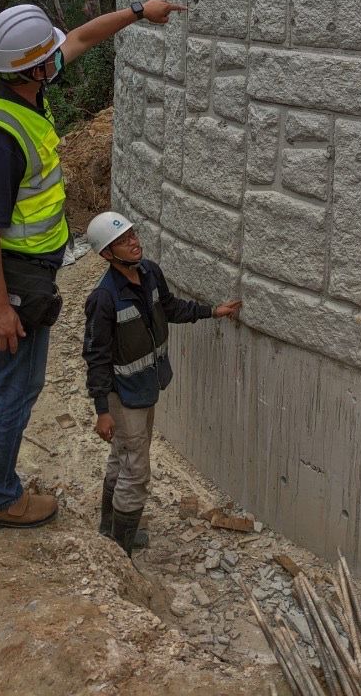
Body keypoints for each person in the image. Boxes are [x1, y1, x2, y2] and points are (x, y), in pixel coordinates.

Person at [0, 0, 184, 534]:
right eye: (48, 55)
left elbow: (78, 39)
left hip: (15, 271)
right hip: (12, 279)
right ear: (32, 68)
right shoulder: (0, 139)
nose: (60, 55)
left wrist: (136, 12)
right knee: (12, 388)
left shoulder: (14, 84)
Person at [82, 211, 241, 556]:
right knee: (136, 470)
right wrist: (102, 411)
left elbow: (169, 308)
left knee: (122, 456)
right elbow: (95, 357)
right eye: (123, 241)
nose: (134, 242)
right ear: (107, 255)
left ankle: (110, 530)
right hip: (123, 396)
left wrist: (212, 311)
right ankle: (120, 550)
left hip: (146, 386)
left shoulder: (150, 273)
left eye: (133, 235)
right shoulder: (104, 299)